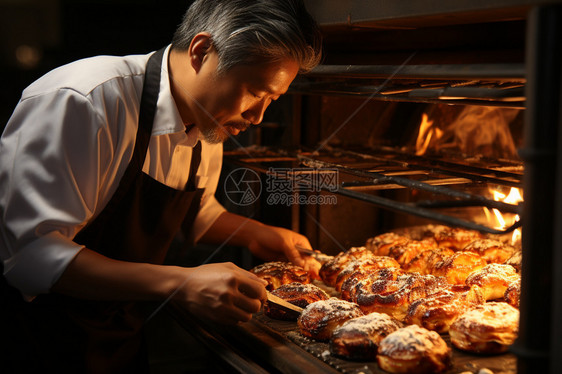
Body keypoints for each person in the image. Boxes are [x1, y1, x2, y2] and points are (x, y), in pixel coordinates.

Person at [0, 0, 322, 372]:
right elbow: (29, 256)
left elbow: (195, 213)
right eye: (254, 91)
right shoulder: (85, 100)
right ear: (202, 51)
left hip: (119, 340)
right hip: (37, 342)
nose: (257, 115)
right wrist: (179, 283)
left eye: (272, 100)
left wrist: (256, 233)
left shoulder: (208, 123)